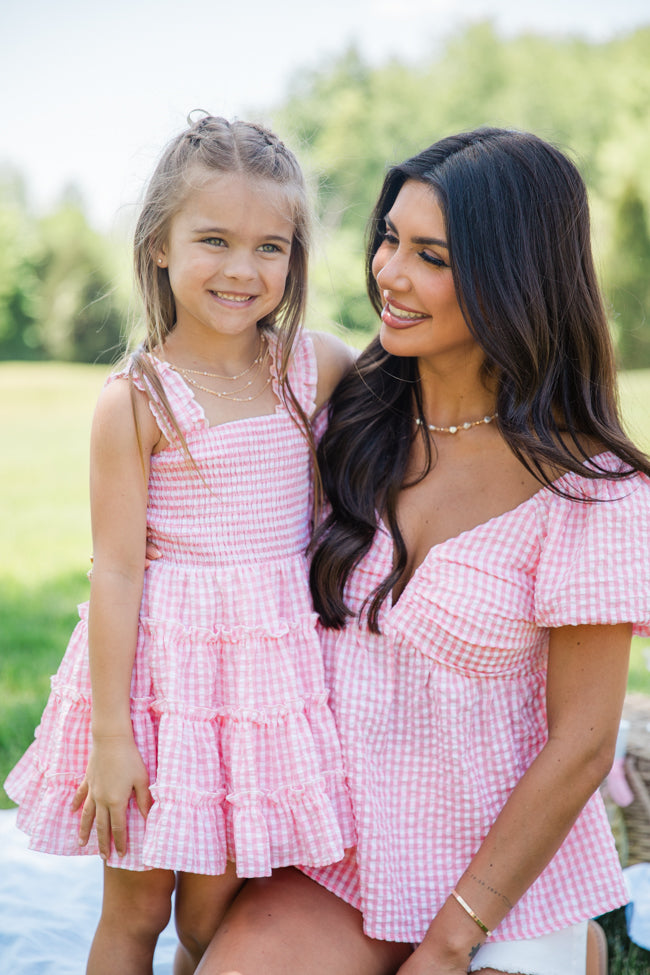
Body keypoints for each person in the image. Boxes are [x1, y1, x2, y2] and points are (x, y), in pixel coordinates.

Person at [194, 128, 650, 975]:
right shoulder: (339, 417)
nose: (390, 274)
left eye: (431, 255)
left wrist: (449, 944)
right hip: (343, 857)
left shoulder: (593, 490)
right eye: (389, 239)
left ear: (515, 278)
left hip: (507, 876)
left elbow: (582, 742)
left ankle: (572, 944)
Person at [4, 114, 355, 975]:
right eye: (214, 240)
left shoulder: (318, 367)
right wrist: (112, 738)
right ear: (160, 244)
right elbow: (118, 571)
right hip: (160, 684)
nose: (243, 269)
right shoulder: (136, 397)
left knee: (215, 917)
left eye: (270, 246)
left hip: (262, 687)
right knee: (136, 910)